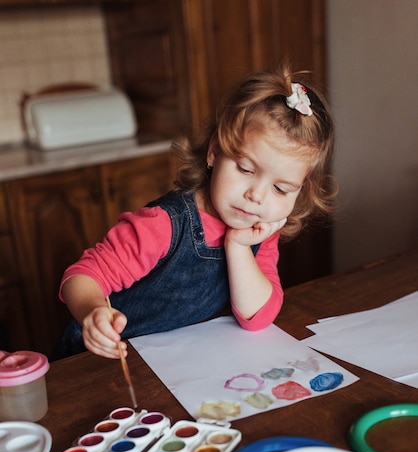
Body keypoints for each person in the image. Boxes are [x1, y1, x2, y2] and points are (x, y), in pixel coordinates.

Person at [51, 61, 335, 361]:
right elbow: (82, 276)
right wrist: (92, 311)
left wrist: (237, 246)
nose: (257, 196)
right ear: (214, 151)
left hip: (163, 363)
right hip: (94, 360)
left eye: (281, 189)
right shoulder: (165, 225)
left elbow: (258, 317)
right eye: (245, 168)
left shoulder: (258, 233)